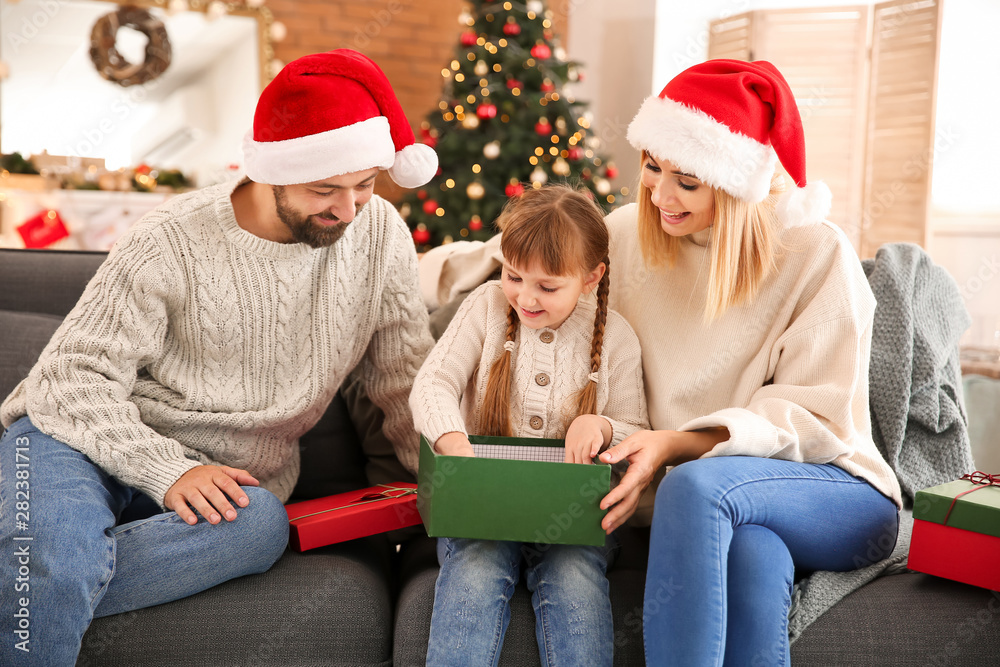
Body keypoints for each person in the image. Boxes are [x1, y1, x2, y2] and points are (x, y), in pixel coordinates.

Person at [0, 49, 437, 666]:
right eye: (324, 189)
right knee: (50, 552)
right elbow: (70, 378)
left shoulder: (379, 233)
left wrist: (454, 491)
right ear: (272, 173)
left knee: (261, 527)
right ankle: (39, 575)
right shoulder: (168, 240)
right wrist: (168, 470)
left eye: (364, 185)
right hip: (76, 438)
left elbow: (403, 383)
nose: (347, 209)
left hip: (227, 487)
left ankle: (27, 583)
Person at [590, 59, 903, 665]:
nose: (659, 193)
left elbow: (816, 419)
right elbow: (533, 255)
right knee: (754, 553)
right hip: (728, 507)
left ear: (734, 185)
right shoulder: (630, 233)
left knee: (696, 485)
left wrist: (675, 443)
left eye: (687, 180)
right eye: (652, 167)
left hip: (834, 488)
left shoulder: (815, 252)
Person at [410, 185, 648, 667]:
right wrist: (451, 440)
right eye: (514, 276)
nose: (525, 297)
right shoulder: (486, 307)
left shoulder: (617, 337)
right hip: (482, 508)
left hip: (574, 521)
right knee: (474, 568)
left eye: (548, 286)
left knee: (574, 576)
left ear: (590, 277)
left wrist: (601, 426)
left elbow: (636, 430)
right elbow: (432, 383)